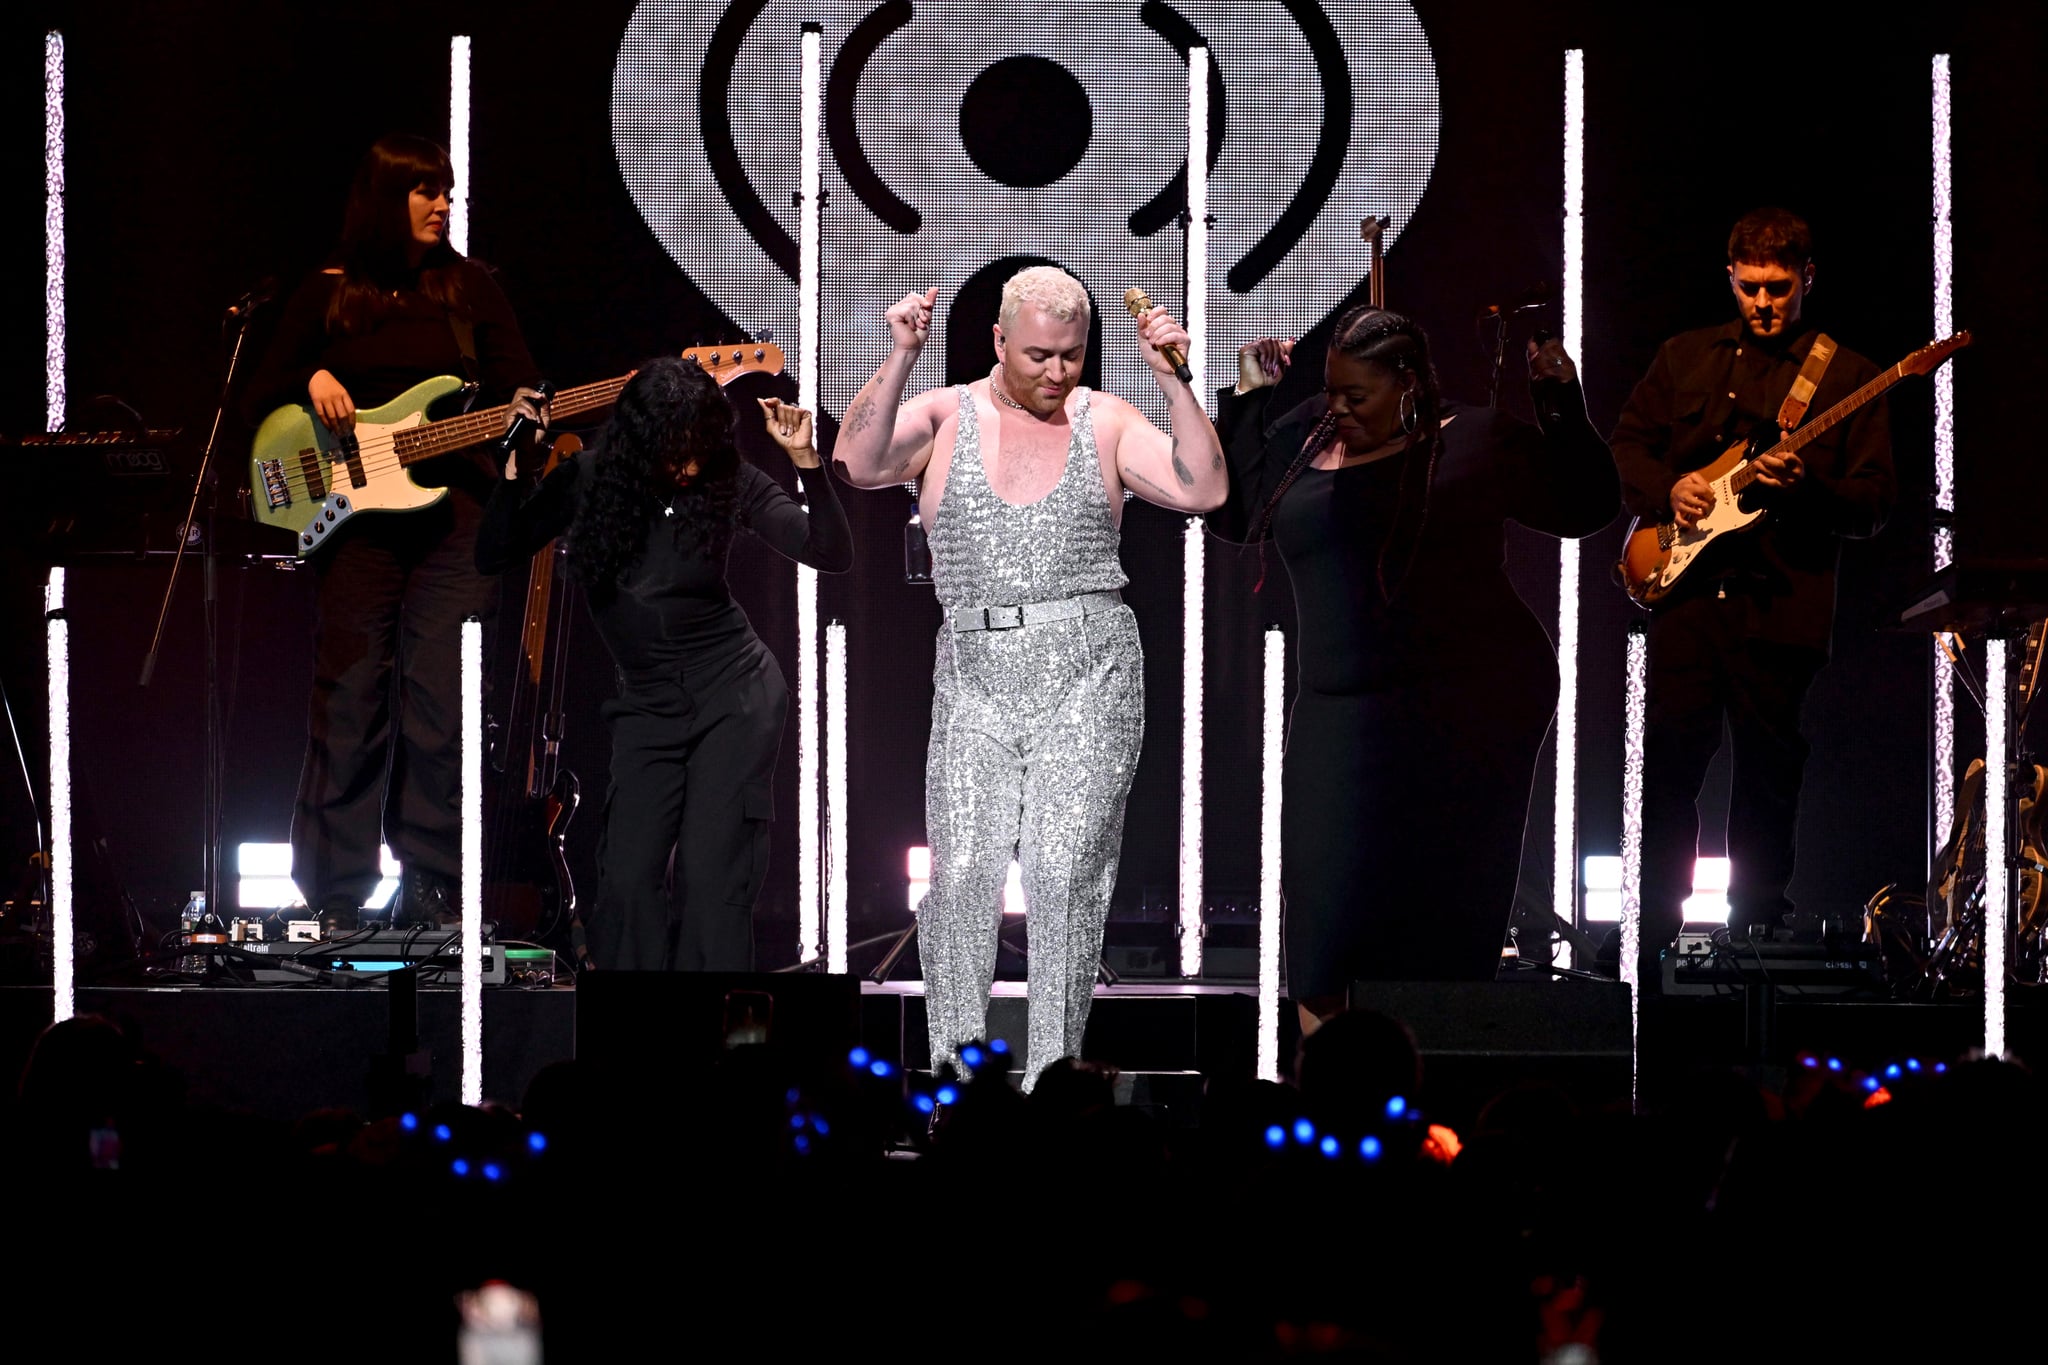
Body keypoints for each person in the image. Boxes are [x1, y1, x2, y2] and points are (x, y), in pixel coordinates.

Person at [835, 265, 1225, 1086]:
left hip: (1088, 667)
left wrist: (1173, 382)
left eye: (1072, 356)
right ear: (999, 342)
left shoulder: (1106, 420)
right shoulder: (946, 415)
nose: (1056, 373)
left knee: (1062, 868)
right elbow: (858, 461)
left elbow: (1206, 487)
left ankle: (1055, 1079)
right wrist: (901, 354)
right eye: (1040, 355)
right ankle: (956, 1080)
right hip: (975, 671)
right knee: (966, 872)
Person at [1212, 308, 1617, 1031]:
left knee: (1436, 931)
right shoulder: (1310, 431)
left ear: (1406, 386)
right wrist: (1249, 400)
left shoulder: (1471, 440)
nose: (1338, 407)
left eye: (1356, 396)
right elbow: (1238, 514)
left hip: (1465, 709)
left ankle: (1423, 1112)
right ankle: (1334, 1111)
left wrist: (1560, 403)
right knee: (1323, 936)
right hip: (1340, 711)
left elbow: (1584, 505)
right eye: (1331, 389)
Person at [244, 134, 550, 931]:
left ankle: (436, 884)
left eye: (446, 191)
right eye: (425, 191)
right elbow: (259, 394)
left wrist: (525, 415)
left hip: (458, 524)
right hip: (357, 525)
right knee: (348, 698)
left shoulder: (472, 288)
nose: (443, 204)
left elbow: (522, 382)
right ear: (386, 198)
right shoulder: (328, 292)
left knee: (441, 704)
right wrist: (312, 377)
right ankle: (335, 890)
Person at [475, 358, 849, 970]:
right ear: (641, 444)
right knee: (624, 880)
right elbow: (494, 553)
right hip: (647, 705)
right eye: (675, 449)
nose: (689, 464)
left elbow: (830, 552)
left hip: (734, 695)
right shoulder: (589, 479)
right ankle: (634, 1047)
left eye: (699, 445)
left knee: (709, 882)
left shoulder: (732, 480)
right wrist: (514, 472)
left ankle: (714, 1052)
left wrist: (807, 462)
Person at [1608, 208, 1894, 977]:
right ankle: (1647, 927)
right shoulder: (1683, 357)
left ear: (1807, 279)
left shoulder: (1851, 376)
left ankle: (1758, 932)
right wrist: (1671, 488)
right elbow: (1626, 445)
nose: (1764, 303)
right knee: (1669, 764)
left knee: (1769, 770)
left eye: (1778, 288)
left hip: (1783, 603)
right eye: (1750, 288)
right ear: (1729, 278)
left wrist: (1809, 487)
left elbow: (1872, 507)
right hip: (1689, 598)